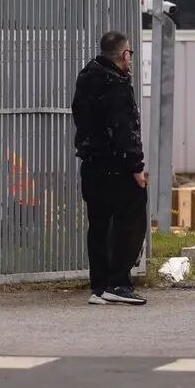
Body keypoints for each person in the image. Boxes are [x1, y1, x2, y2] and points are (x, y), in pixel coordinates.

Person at [71, 30, 148, 306]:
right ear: (124, 54)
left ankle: (100, 286)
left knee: (99, 225)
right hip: (116, 166)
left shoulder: (86, 77)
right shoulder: (116, 84)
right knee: (131, 219)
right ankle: (118, 282)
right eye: (130, 55)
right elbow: (123, 129)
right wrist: (136, 166)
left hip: (91, 165)